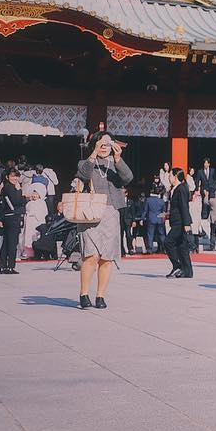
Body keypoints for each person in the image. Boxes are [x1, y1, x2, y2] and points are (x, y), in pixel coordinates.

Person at [76, 132, 134, 308]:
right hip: (90, 212)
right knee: (91, 256)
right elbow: (83, 175)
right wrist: (93, 154)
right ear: (94, 144)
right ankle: (84, 293)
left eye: (107, 144)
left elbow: (128, 178)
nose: (104, 147)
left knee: (107, 257)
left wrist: (117, 158)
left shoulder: (115, 164)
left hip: (111, 211)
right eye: (100, 143)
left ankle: (100, 296)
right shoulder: (86, 163)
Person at [164, 167, 193, 279]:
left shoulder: (181, 188)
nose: (169, 177)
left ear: (175, 176)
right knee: (182, 247)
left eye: (170, 175)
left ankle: (177, 265)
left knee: (168, 242)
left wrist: (186, 223)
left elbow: (184, 206)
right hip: (176, 220)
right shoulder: (176, 188)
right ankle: (187, 271)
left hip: (180, 222)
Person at [0, 168, 26, 273]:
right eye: (12, 176)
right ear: (7, 177)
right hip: (12, 217)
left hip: (7, 216)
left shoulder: (5, 187)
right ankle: (10, 266)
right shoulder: (11, 188)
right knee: (12, 242)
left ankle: (3, 266)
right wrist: (19, 190)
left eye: (16, 176)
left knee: (6, 242)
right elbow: (16, 201)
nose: (15, 178)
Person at [21, 185, 48, 259]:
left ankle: (38, 252)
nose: (34, 195)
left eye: (36, 194)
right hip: (29, 221)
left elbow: (45, 212)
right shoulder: (29, 203)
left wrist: (36, 214)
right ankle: (28, 252)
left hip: (37, 221)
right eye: (33, 194)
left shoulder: (42, 202)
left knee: (36, 236)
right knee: (28, 236)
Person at [144, 187, 167, 254]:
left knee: (150, 234)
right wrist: (162, 219)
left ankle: (150, 249)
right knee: (162, 234)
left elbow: (145, 210)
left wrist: (142, 218)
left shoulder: (148, 200)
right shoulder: (161, 201)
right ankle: (165, 248)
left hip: (151, 218)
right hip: (159, 219)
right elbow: (163, 211)